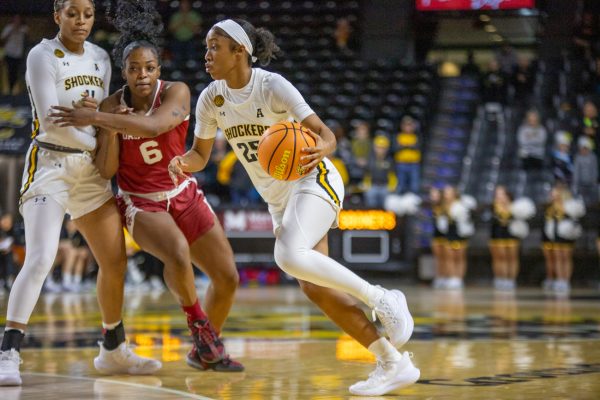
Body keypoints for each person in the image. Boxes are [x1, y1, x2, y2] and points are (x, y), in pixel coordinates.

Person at [168, 18, 418, 396]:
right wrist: (181, 163)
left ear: (240, 51)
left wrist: (322, 147)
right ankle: (392, 363)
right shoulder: (211, 99)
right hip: (279, 199)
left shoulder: (271, 86)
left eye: (214, 46)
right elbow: (201, 155)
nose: (206, 55)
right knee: (315, 287)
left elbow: (327, 135)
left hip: (312, 179)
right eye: (206, 47)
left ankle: (382, 298)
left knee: (286, 255)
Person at [48, 0, 242, 372]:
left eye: (149, 68)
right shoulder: (110, 105)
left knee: (227, 277)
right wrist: (109, 127)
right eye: (134, 68)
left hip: (184, 193)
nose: (142, 75)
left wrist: (99, 117)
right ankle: (200, 328)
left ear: (159, 69)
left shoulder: (177, 92)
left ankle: (203, 350)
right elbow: (106, 171)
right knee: (178, 252)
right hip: (142, 202)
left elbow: (153, 127)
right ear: (124, 71)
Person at [0, 0, 161, 387]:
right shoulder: (41, 55)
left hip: (89, 173)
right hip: (51, 166)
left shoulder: (102, 57)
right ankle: (8, 351)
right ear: (57, 15)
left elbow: (99, 110)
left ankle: (112, 349)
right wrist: (98, 134)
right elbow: (53, 122)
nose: (81, 21)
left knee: (114, 259)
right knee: (40, 257)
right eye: (72, 13)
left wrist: (98, 120)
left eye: (87, 14)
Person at [393, 115, 421, 194]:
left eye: (410, 125)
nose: (408, 127)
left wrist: (404, 146)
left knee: (414, 186)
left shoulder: (417, 137)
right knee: (400, 186)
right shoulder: (398, 136)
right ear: (402, 126)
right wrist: (408, 146)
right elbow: (395, 148)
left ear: (413, 126)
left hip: (413, 164)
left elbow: (418, 147)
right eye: (406, 125)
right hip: (401, 164)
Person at [1, 15, 28, 94]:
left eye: (19, 19)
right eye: (15, 19)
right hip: (9, 53)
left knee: (16, 72)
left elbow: (27, 38)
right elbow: (2, 39)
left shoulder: (24, 28)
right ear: (13, 20)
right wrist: (12, 31)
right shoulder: (8, 28)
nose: (17, 21)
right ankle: (8, 89)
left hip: (18, 54)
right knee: (9, 71)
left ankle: (14, 89)